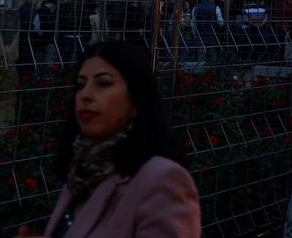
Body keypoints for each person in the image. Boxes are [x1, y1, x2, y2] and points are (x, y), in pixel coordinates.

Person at [44, 40, 199, 237]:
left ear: (136, 99)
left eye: (103, 83)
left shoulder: (161, 181)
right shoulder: (81, 173)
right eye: (80, 85)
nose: (85, 95)